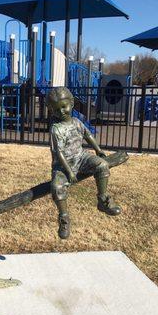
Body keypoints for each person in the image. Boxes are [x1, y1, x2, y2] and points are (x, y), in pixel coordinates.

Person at [46, 87, 121, 240]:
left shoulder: (77, 122)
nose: (61, 111)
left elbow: (88, 135)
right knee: (56, 186)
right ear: (51, 110)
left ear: (72, 103)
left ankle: (103, 199)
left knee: (101, 165)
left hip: (81, 158)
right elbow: (58, 153)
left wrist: (98, 150)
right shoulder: (56, 129)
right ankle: (64, 218)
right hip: (63, 165)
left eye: (64, 107)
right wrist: (69, 172)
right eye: (56, 109)